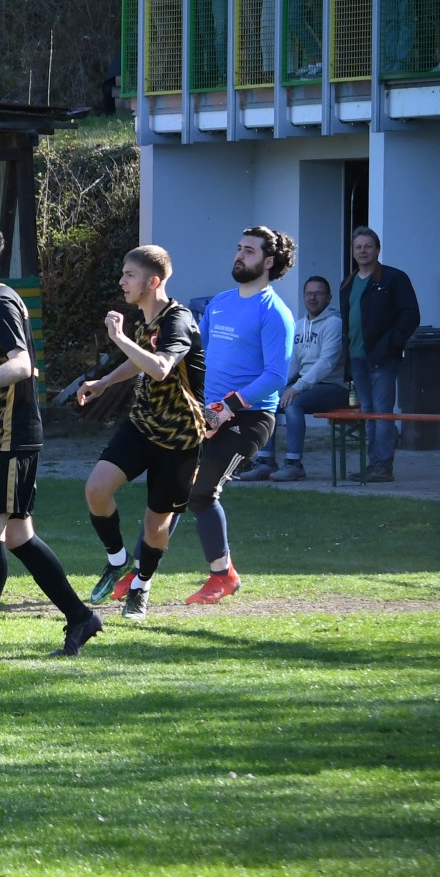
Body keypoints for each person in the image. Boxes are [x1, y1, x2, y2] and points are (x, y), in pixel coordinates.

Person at [0, 223, 107, 661]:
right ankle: (80, 617)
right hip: (2, 432)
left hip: (12, 435)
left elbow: (23, 365)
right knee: (18, 535)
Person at [76, 245, 205, 622]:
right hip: (142, 424)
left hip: (180, 436)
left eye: (129, 274)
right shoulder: (143, 319)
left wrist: (117, 337)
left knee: (156, 523)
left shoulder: (177, 320)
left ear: (153, 281)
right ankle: (116, 559)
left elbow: (161, 367)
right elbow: (139, 361)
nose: (122, 280)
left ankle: (141, 586)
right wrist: (103, 382)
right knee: (96, 489)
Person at [180, 226, 296, 604]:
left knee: (202, 492)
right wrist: (197, 402)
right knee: (173, 489)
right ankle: (138, 572)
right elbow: (204, 358)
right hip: (208, 413)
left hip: (249, 419)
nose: (240, 255)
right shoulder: (220, 303)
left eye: (249, 250)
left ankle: (221, 577)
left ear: (269, 261)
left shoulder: (275, 312)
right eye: (239, 248)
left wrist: (229, 406)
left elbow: (276, 376)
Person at [242, 276, 347, 482]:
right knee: (266, 399)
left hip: (332, 387)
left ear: (329, 298)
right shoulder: (299, 326)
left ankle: (294, 464)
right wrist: (273, 384)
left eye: (318, 293)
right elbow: (293, 364)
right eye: (309, 293)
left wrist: (296, 388)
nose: (313, 298)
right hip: (305, 385)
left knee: (293, 403)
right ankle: (265, 461)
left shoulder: (334, 324)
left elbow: (326, 363)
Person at [340, 226, 420, 483]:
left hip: (382, 358)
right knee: (368, 412)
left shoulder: (393, 278)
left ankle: (382, 466)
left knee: (382, 412)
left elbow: (410, 315)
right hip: (356, 357)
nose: (363, 251)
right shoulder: (348, 282)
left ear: (377, 249)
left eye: (368, 246)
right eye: (358, 247)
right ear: (353, 252)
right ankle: (373, 464)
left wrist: (391, 345)